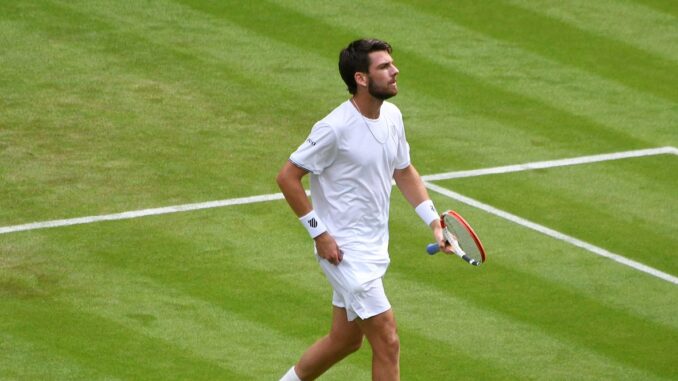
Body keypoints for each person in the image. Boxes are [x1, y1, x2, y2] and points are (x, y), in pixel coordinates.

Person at [276, 38, 452, 381]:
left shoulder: (392, 117)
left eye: (392, 63)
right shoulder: (334, 128)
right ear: (361, 78)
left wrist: (434, 221)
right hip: (343, 252)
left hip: (372, 249)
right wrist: (320, 234)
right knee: (388, 339)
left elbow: (403, 170)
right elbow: (287, 178)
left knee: (345, 340)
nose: (395, 70)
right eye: (384, 67)